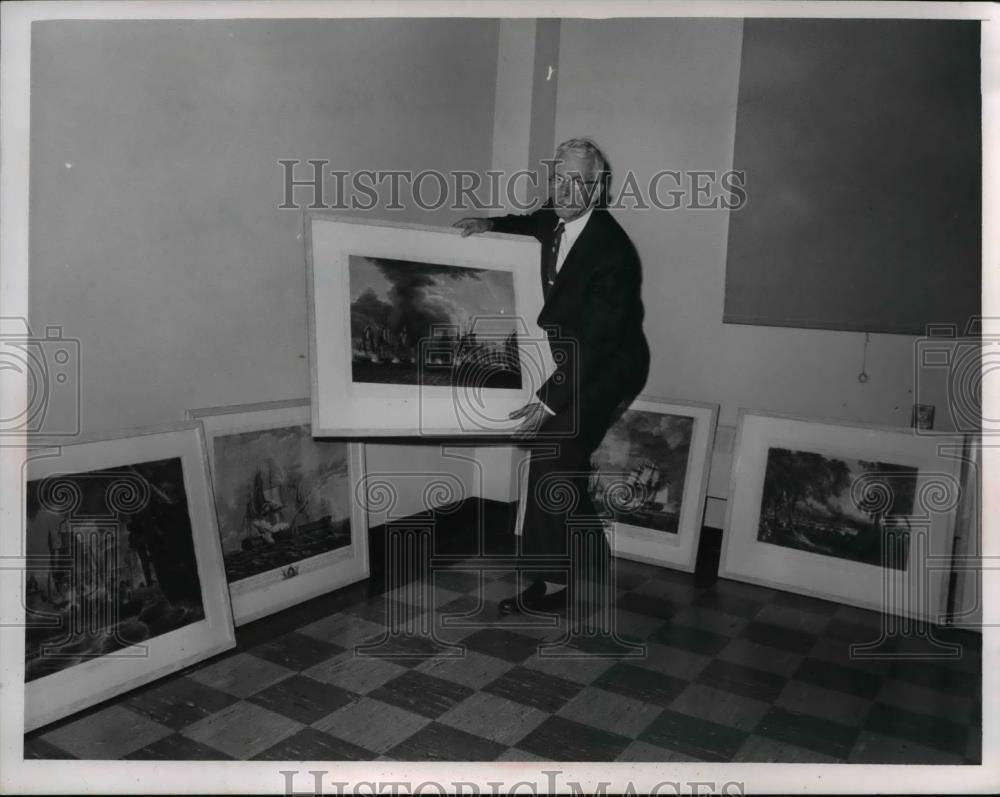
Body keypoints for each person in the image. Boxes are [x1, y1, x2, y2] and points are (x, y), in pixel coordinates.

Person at [454, 137, 650, 615]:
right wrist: (491, 224)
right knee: (564, 461)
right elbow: (532, 223)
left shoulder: (614, 252)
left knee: (552, 453)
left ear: (597, 187)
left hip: (609, 366)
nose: (564, 189)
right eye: (557, 178)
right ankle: (591, 559)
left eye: (577, 181)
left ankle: (552, 588)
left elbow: (594, 348)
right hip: (571, 356)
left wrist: (545, 401)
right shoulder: (555, 215)